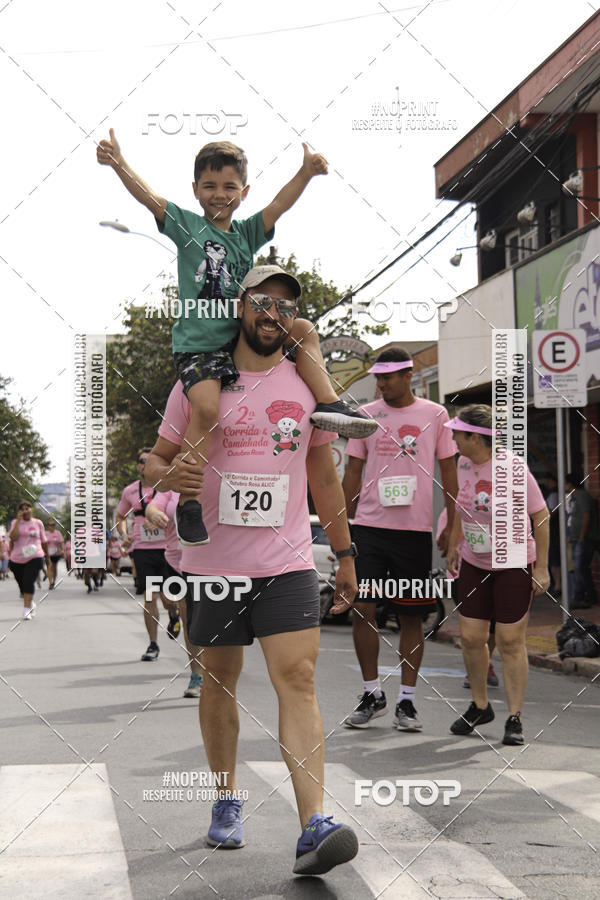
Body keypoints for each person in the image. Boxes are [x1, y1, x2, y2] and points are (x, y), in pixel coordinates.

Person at [145, 264, 359, 875]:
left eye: (285, 306)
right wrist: (167, 476)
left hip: (288, 561)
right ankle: (224, 797)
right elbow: (153, 463)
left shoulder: (307, 386)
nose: (273, 314)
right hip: (214, 563)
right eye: (262, 302)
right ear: (241, 309)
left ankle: (313, 823)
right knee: (219, 680)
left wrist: (344, 553)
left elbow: (323, 476)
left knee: (298, 678)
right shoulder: (201, 381)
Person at [97, 133, 377, 546]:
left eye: (229, 187)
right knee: (207, 409)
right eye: (209, 186)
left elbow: (280, 203)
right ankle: (189, 502)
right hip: (199, 349)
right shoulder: (188, 227)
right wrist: (119, 162)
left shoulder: (246, 234)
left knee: (301, 329)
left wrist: (305, 172)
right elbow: (150, 199)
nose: (219, 194)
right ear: (195, 190)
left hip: (237, 338)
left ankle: (330, 403)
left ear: (243, 192)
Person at [342, 348, 458, 732]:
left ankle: (407, 703)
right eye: (378, 377)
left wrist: (453, 525)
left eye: (388, 377)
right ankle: (371, 693)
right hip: (370, 529)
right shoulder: (366, 415)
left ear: (408, 375)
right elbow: (352, 473)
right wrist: (340, 526)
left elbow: (449, 470)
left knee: (412, 615)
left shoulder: (435, 415)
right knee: (363, 608)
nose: (381, 383)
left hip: (414, 532)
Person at [445, 404, 550, 746]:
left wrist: (544, 568)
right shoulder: (463, 463)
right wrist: (453, 545)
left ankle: (514, 717)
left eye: (458, 433)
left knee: (509, 641)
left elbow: (542, 515)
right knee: (472, 638)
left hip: (514, 561)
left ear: (476, 437)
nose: (453, 438)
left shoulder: (513, 467)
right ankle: (480, 706)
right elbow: (462, 505)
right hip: (474, 561)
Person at [116, 448, 181, 660]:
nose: (146, 465)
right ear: (138, 466)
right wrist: (124, 534)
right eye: (143, 461)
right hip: (143, 551)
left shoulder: (167, 488)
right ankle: (153, 644)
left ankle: (173, 616)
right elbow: (119, 516)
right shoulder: (130, 491)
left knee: (169, 599)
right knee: (149, 596)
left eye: (149, 461)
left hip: (168, 550)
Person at [145, 491, 204, 699]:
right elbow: (153, 506)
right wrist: (153, 514)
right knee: (188, 618)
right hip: (178, 562)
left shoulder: (215, 474)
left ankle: (220, 669)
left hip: (214, 560)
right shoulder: (170, 487)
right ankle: (197, 674)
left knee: (214, 619)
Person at [436, 507, 500, 689]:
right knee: (473, 627)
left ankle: (484, 662)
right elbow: (443, 541)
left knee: (494, 624)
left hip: (496, 571)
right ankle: (475, 669)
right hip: (463, 573)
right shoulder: (451, 511)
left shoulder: (500, 505)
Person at [8, 502, 49, 619]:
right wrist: (17, 521)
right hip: (17, 559)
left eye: (27, 508)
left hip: (35, 556)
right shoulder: (15, 522)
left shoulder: (38, 523)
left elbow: (44, 541)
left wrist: (47, 557)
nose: (25, 511)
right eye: (22, 509)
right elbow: (13, 537)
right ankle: (30, 603)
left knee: (28, 581)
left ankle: (26, 610)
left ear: (32, 510)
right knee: (22, 585)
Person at [565, 472, 598, 609]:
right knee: (578, 569)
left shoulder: (582, 496)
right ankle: (579, 597)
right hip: (576, 538)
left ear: (570, 484)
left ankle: (589, 596)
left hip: (584, 539)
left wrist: (582, 536)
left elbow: (586, 516)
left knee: (580, 568)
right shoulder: (574, 498)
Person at [45, 518, 64, 590]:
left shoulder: (58, 533)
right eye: (50, 525)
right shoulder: (45, 533)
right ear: (48, 526)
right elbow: (42, 543)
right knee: (49, 567)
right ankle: (50, 582)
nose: (51, 526)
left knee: (54, 568)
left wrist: (63, 550)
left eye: (53, 525)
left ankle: (54, 581)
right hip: (48, 554)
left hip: (56, 554)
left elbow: (61, 542)